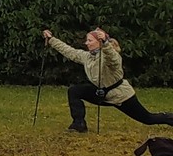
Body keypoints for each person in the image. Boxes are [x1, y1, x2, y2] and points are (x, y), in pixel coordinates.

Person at [44, 28, 173, 133]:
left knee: (147, 118)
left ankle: (170, 118)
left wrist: (105, 43)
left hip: (120, 95)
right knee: (74, 91)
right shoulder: (87, 56)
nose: (86, 43)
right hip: (100, 92)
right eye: (86, 40)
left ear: (99, 42)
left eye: (89, 40)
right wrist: (51, 40)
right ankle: (79, 124)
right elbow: (69, 52)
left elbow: (112, 58)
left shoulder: (111, 56)